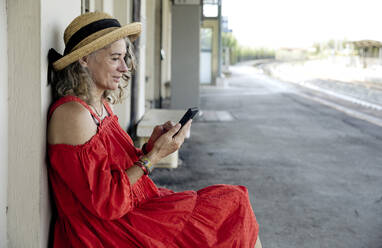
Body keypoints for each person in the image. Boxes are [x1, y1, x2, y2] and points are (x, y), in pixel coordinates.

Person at [47, 12, 260, 248]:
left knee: (233, 202)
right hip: (105, 230)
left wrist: (151, 147)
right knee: (231, 206)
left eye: (125, 57)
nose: (125, 67)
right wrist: (154, 156)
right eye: (115, 58)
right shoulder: (73, 115)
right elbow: (106, 202)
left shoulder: (101, 105)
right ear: (85, 59)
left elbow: (117, 172)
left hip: (132, 208)